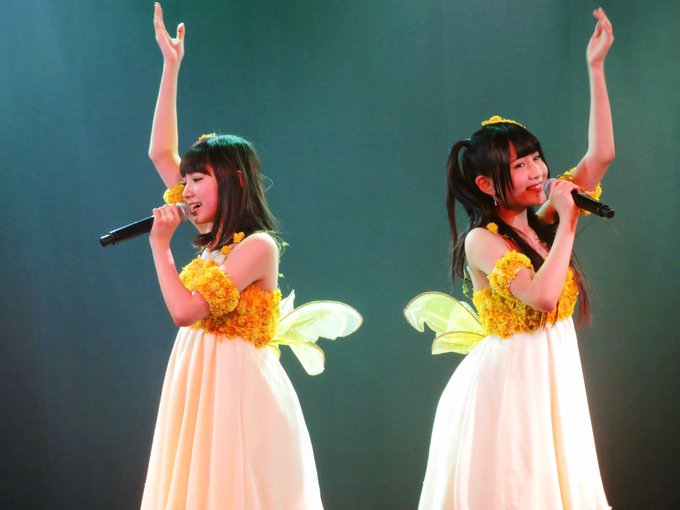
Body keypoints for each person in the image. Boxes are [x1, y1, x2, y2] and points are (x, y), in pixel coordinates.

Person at [405, 8, 615, 509]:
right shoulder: (482, 241)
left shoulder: (539, 220)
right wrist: (567, 222)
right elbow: (543, 297)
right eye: (521, 165)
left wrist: (596, 68)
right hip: (512, 387)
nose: (538, 171)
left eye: (536, 158)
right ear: (486, 183)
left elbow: (601, 156)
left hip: (553, 374)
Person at [140, 3, 335, 509]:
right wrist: (170, 67)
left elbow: (185, 311)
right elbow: (160, 153)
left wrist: (160, 247)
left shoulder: (257, 247)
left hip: (237, 391)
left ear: (235, 182)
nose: (186, 190)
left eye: (199, 179)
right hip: (198, 380)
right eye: (186, 180)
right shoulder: (213, 239)